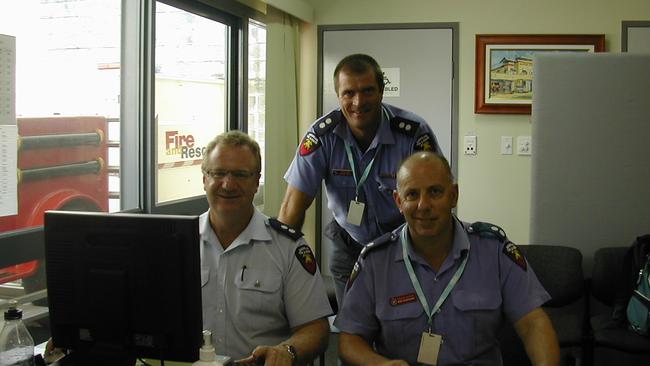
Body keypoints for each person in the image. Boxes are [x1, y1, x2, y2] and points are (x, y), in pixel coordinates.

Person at [335, 151, 560, 366]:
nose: (424, 206)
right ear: (399, 201)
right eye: (412, 194)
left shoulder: (495, 251)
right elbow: (349, 340)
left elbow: (533, 324)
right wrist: (381, 364)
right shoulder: (375, 261)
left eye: (435, 192)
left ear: (453, 196)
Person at [279, 53, 442, 306]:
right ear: (338, 95)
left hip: (403, 242)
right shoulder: (323, 137)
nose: (358, 102)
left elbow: (437, 196)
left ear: (381, 91)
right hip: (349, 243)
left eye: (367, 91)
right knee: (352, 327)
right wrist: (281, 266)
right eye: (349, 93)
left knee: (403, 322)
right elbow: (292, 207)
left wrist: (437, 255)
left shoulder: (412, 132)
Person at [200, 130, 332, 365]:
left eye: (240, 175)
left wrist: (287, 351)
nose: (228, 184)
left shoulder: (288, 247)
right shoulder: (178, 243)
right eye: (218, 173)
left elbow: (316, 329)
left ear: (256, 182)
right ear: (204, 179)